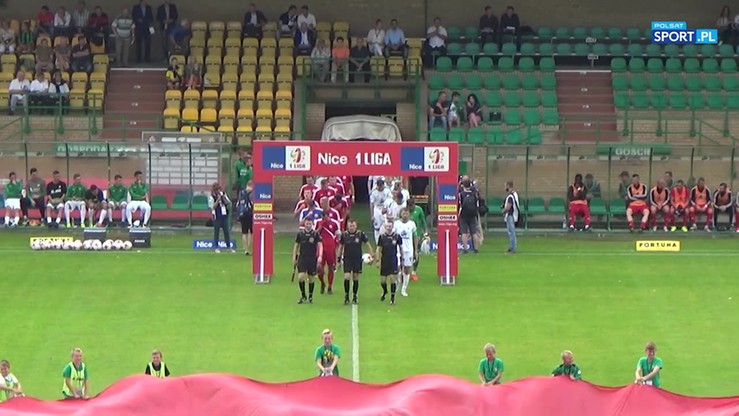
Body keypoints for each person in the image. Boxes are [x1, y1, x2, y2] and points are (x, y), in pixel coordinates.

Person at [338, 218, 373, 305]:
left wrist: (371, 256)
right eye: (350, 226)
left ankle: (354, 296)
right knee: (347, 277)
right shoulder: (344, 235)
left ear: (356, 226)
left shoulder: (360, 234)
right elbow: (340, 247)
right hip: (347, 259)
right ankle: (346, 296)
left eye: (353, 225)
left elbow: (368, 244)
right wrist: (338, 258)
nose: (352, 227)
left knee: (355, 277)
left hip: (357, 259)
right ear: (347, 226)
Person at [293, 217, 323, 304]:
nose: (308, 225)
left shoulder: (315, 234)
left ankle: (310, 296)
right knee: (300, 277)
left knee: (311, 278)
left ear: (312, 224)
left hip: (312, 258)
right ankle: (303, 295)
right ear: (304, 224)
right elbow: (296, 246)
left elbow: (320, 245)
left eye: (310, 224)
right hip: (302, 258)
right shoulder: (300, 234)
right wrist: (294, 257)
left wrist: (320, 256)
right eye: (307, 223)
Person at [375, 221, 403, 305]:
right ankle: (385, 291)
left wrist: (402, 258)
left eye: (390, 226)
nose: (389, 228)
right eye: (387, 226)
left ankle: (392, 298)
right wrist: (378, 260)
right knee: (383, 281)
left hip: (393, 259)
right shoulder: (382, 237)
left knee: (392, 278)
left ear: (392, 227)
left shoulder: (397, 236)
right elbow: (378, 249)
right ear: (385, 227)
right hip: (384, 260)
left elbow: (401, 247)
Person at [393, 208, 417, 297]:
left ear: (409, 214)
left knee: (407, 269)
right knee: (397, 268)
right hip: (398, 249)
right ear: (401, 214)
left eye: (406, 213)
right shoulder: (396, 224)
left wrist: (415, 250)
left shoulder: (412, 224)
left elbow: (415, 236)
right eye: (403, 213)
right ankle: (397, 284)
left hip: (408, 250)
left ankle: (404, 289)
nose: (405, 215)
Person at [315, 211, 341, 294]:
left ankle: (330, 286)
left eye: (324, 217)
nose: (323, 219)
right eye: (322, 217)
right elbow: (314, 234)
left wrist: (337, 246)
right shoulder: (318, 222)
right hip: (321, 247)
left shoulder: (334, 223)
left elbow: (338, 235)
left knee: (331, 267)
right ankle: (322, 282)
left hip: (330, 247)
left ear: (327, 216)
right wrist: (320, 228)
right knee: (319, 268)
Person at [208, 182, 235, 253]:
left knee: (226, 231)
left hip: (224, 216)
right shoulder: (212, 197)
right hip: (217, 216)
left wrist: (224, 198)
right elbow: (212, 207)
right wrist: (217, 200)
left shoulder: (223, 194)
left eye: (219, 189)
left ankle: (228, 246)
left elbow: (229, 203)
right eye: (217, 190)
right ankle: (216, 247)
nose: (218, 191)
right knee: (216, 232)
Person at [407, 198, 426, 280]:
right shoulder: (404, 211)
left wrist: (425, 231)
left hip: (417, 235)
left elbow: (423, 220)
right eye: (409, 206)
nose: (411, 208)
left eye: (412, 206)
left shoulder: (419, 210)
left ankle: (414, 272)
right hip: (407, 236)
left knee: (416, 253)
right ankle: (406, 271)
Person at [370, 178, 391, 243]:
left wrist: (387, 210)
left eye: (381, 186)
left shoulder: (387, 191)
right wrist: (372, 215)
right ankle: (377, 243)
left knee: (387, 225)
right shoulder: (374, 192)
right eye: (378, 186)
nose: (380, 188)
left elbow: (390, 201)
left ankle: (386, 241)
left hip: (385, 209)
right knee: (377, 227)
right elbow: (372, 204)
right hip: (377, 209)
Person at [236, 180, 254, 255]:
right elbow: (253, 203)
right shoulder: (252, 193)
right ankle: (250, 249)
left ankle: (245, 249)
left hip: (242, 214)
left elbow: (238, 203)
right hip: (250, 214)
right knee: (251, 232)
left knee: (244, 232)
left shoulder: (241, 193)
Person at [503, 181, 519, 254]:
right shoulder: (515, 194)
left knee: (511, 232)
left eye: (505, 186)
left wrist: (503, 211)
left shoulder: (510, 196)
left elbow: (508, 207)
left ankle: (513, 248)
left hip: (510, 215)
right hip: (514, 215)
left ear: (508, 186)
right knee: (512, 232)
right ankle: (511, 247)